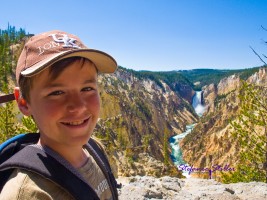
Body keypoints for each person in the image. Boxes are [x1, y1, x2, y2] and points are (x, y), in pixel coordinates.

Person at [0, 30, 118, 199]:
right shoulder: (28, 193)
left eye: (87, 89)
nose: (78, 107)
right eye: (57, 92)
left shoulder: (95, 148)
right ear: (24, 103)